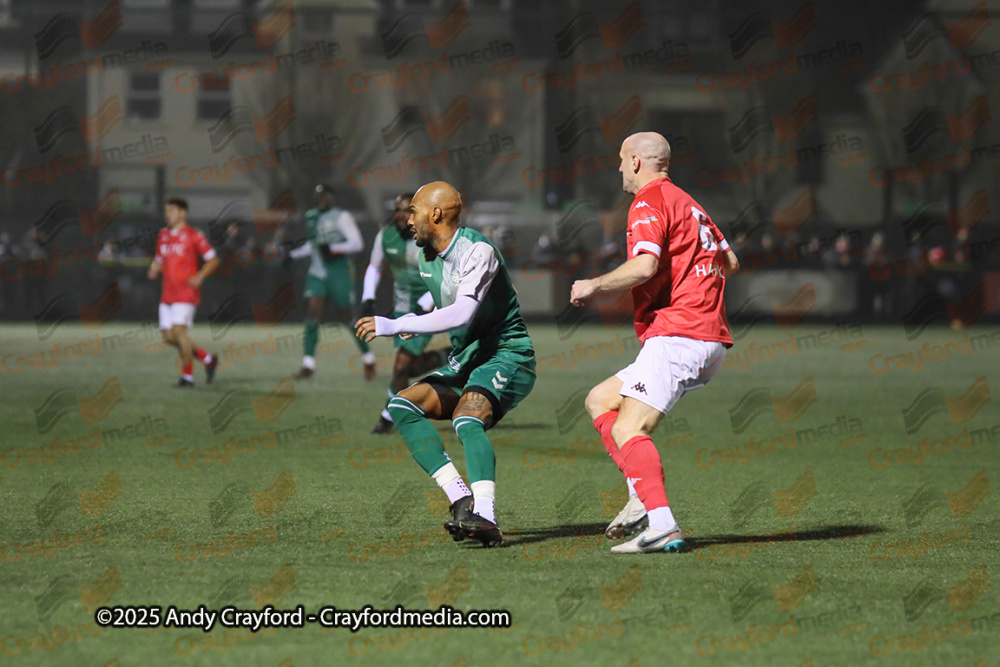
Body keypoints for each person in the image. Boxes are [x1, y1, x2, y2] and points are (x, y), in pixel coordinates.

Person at [570, 132, 739, 554]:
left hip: (681, 333)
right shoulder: (689, 202)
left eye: (620, 160)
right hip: (707, 336)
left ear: (635, 161)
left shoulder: (648, 201)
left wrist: (594, 284)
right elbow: (731, 261)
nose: (618, 168)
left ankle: (662, 524)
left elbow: (645, 265)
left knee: (628, 427)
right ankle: (638, 496)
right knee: (599, 400)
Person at [355, 181, 535, 547]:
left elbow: (463, 312)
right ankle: (461, 500)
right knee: (402, 406)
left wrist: (394, 324)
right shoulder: (427, 257)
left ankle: (486, 516)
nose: (408, 220)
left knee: (467, 419)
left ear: (435, 214)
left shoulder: (478, 251)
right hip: (466, 358)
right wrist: (416, 319)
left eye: (414, 212)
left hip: (507, 354)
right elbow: (446, 301)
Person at [362, 193, 449, 434]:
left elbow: (446, 275)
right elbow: (374, 267)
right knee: (406, 367)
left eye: (408, 210)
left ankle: (388, 416)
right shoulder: (386, 235)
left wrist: (425, 303)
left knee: (401, 366)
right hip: (401, 310)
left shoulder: (430, 236)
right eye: (398, 209)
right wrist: (368, 297)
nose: (401, 215)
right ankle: (449, 356)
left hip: (429, 307)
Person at [288, 184, 375, 379]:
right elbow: (314, 245)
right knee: (312, 315)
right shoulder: (311, 216)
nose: (321, 198)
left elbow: (357, 243)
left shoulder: (341, 216)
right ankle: (308, 365)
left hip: (340, 274)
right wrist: (293, 254)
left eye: (325, 195)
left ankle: (369, 359)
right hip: (318, 273)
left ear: (331, 197)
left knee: (347, 318)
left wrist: (334, 249)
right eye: (318, 195)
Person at [147, 197, 220, 387]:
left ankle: (187, 377)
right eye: (166, 211)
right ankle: (207, 359)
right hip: (167, 293)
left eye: (172, 210)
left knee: (179, 332)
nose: (168, 214)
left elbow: (213, 260)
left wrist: (200, 276)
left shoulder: (193, 235)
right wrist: (154, 268)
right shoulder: (163, 235)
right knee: (169, 337)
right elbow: (159, 259)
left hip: (186, 292)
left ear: (182, 213)